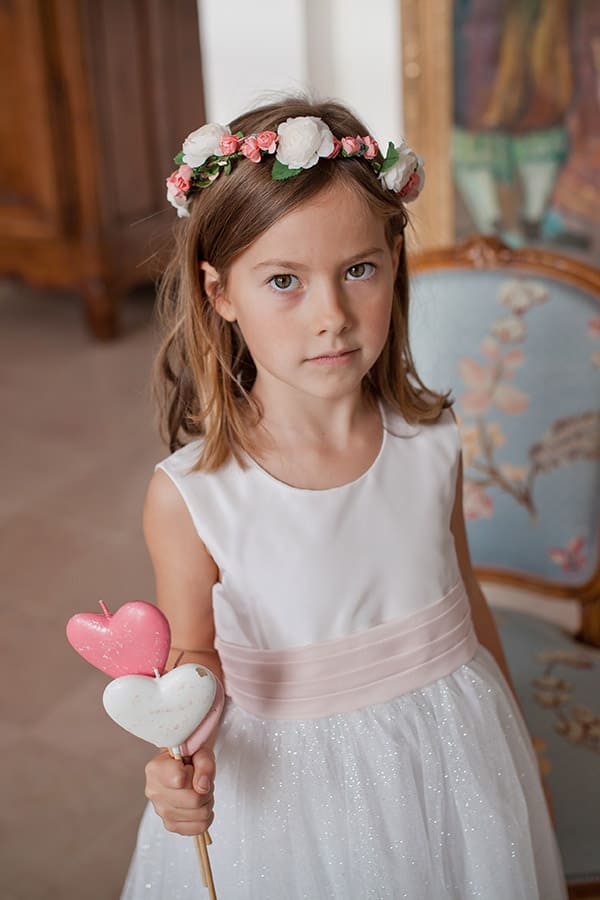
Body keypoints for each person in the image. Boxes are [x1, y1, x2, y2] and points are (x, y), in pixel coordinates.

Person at [121, 97, 567, 899]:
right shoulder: (193, 497)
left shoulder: (431, 443)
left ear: (394, 265)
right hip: (293, 793)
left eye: (358, 269)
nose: (331, 317)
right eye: (284, 281)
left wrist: (509, 743)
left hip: (454, 758)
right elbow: (193, 660)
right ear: (220, 292)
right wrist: (180, 761)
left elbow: (466, 599)